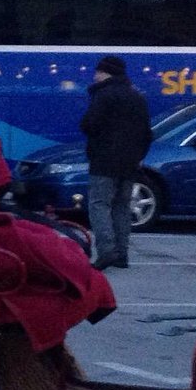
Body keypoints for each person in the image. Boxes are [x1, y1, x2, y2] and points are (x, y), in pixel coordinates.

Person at [79, 54, 152, 271]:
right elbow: (146, 133)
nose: (94, 75)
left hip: (104, 159)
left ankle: (107, 251)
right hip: (129, 162)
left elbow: (89, 125)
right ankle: (122, 254)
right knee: (121, 206)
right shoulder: (137, 97)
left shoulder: (103, 95)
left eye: (97, 72)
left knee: (99, 205)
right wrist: (138, 156)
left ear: (105, 72)